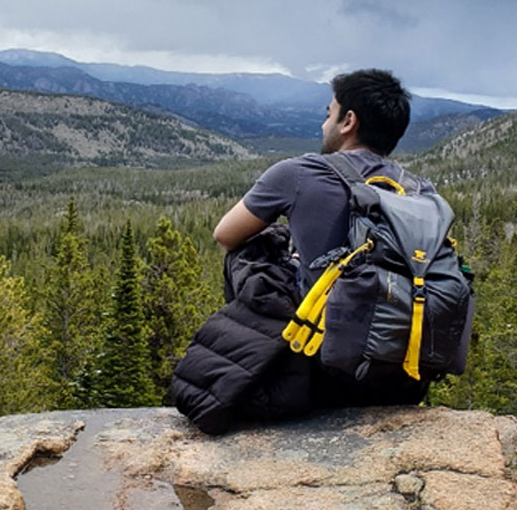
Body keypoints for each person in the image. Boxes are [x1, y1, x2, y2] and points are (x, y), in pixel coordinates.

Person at [171, 69, 431, 433]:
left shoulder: (299, 172)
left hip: (319, 372)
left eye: (329, 113)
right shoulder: (421, 192)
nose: (324, 123)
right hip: (399, 377)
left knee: (256, 246)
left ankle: (261, 363)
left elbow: (225, 235)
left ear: (348, 122)